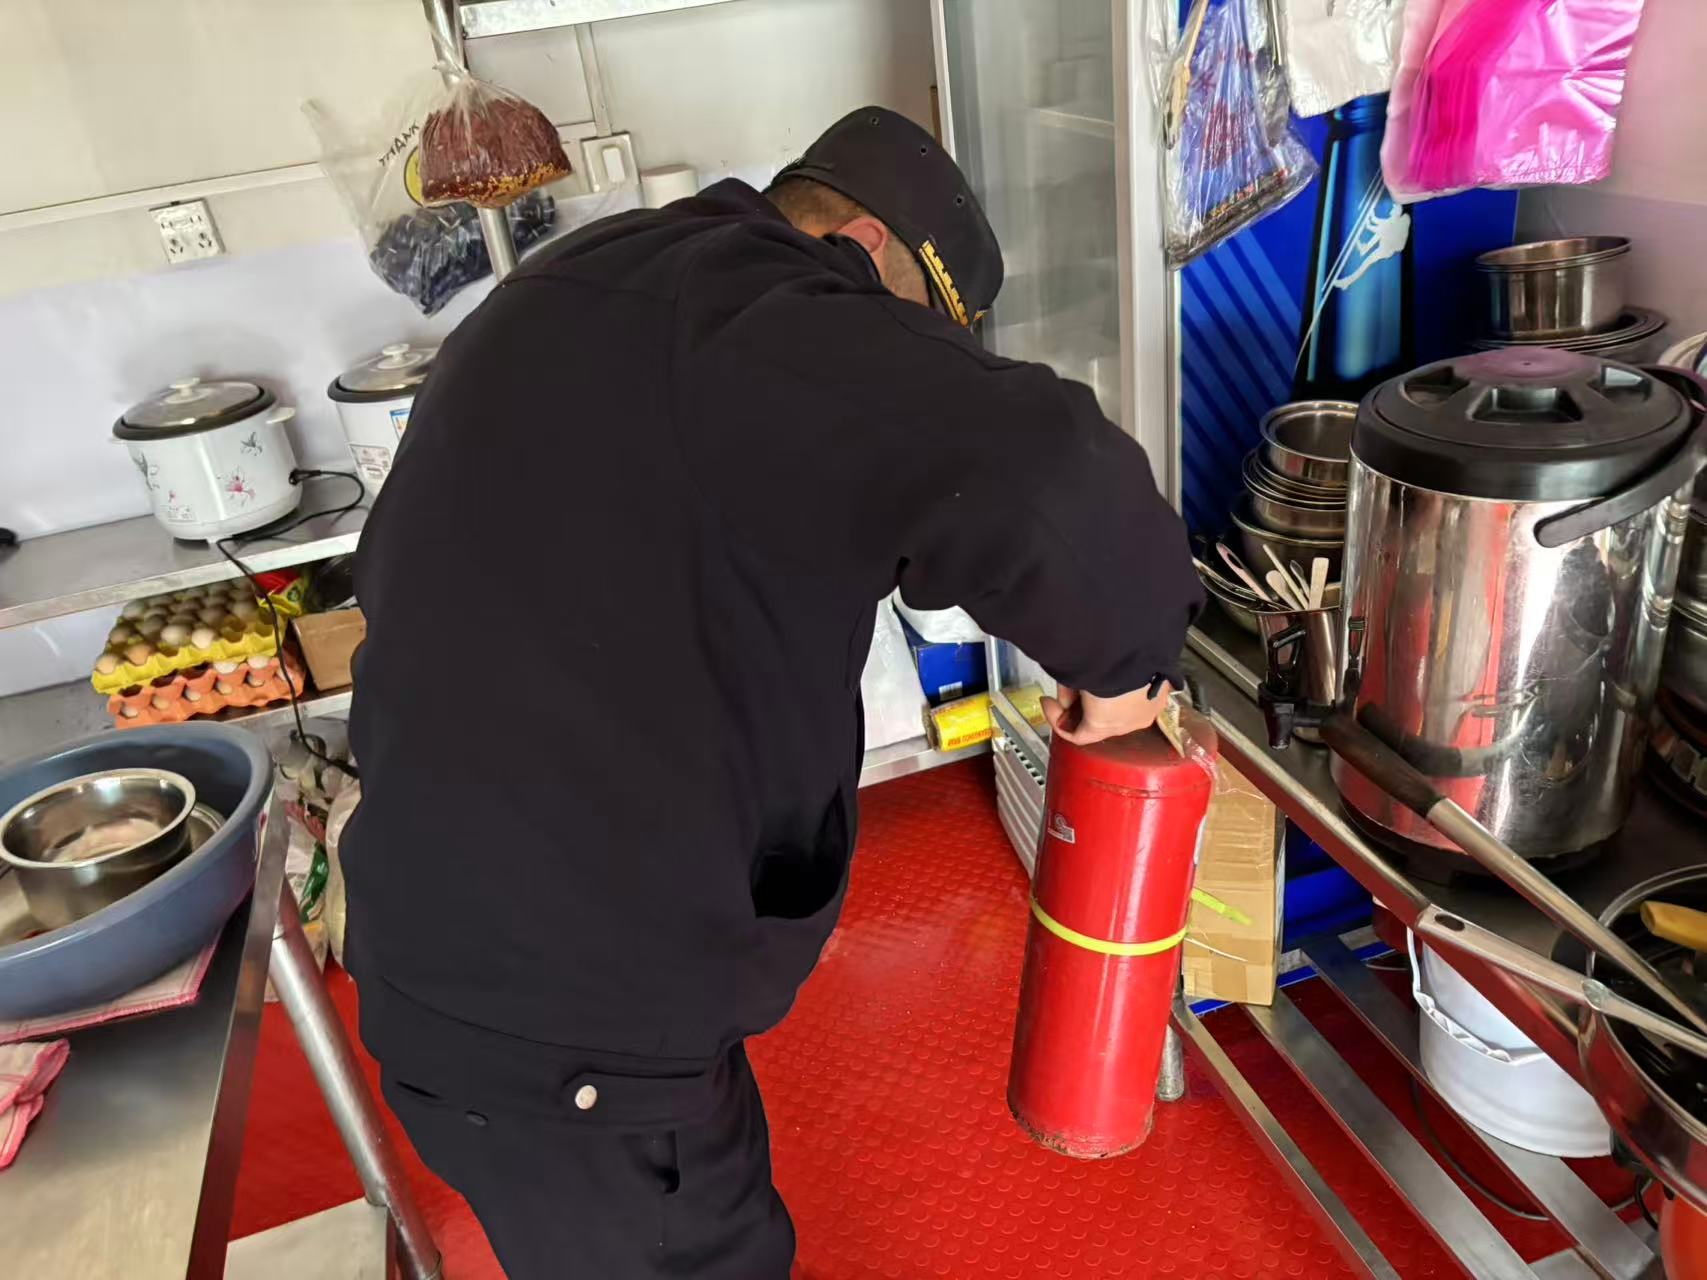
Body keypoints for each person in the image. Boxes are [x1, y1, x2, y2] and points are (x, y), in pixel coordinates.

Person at [342, 106, 1201, 1279]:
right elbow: (1049, 475)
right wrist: (1126, 679)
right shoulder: (774, 317)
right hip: (565, 1025)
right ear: (862, 243)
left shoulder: (583, 282)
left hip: (471, 939)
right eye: (913, 321)